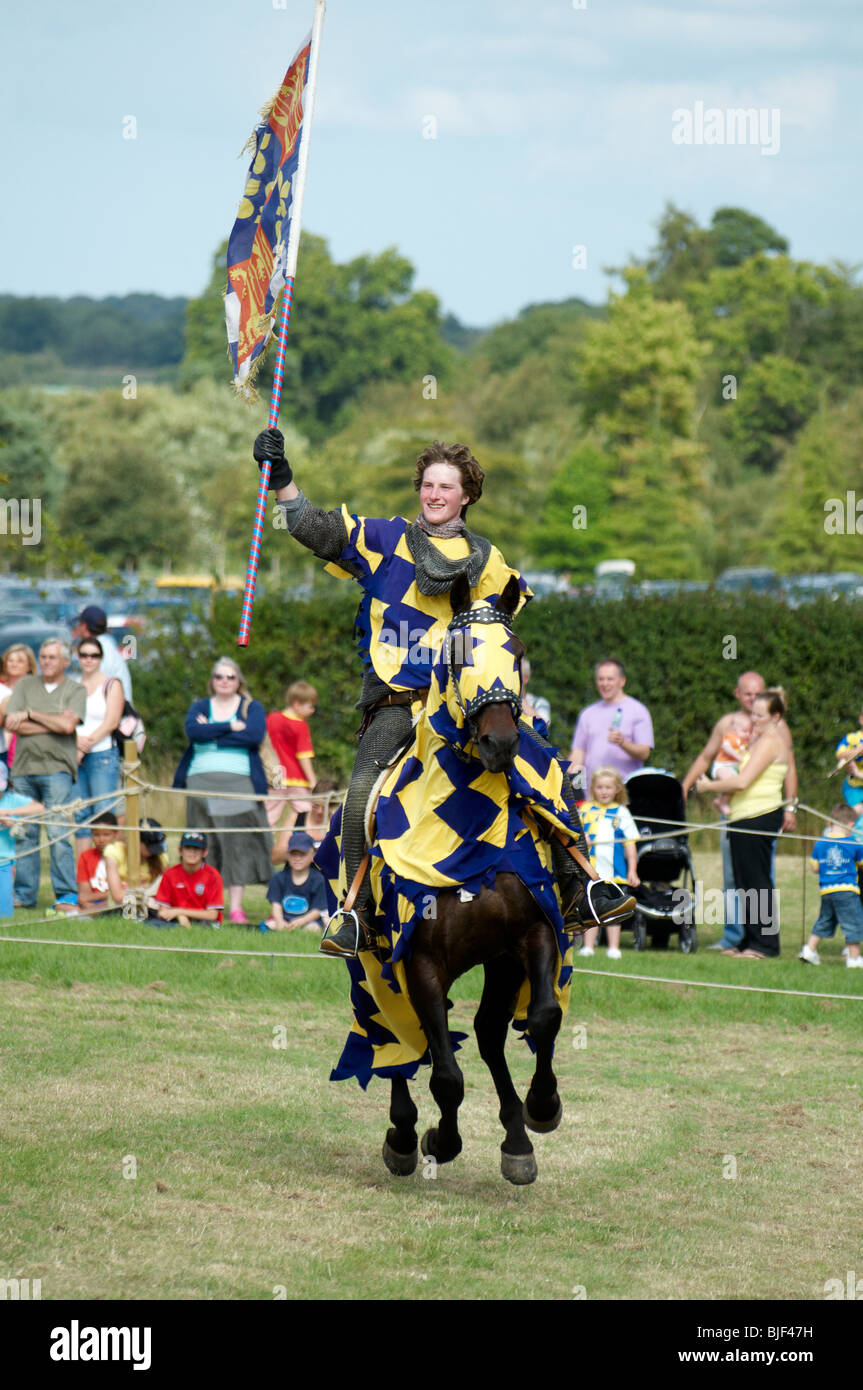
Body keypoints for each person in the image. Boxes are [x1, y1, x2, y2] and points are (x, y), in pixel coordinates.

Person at [254, 428, 633, 959]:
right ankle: (357, 913)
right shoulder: (384, 539)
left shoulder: (490, 562)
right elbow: (315, 530)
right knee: (360, 795)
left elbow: (500, 638)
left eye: (446, 486)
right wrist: (283, 478)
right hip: (400, 707)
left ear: (467, 495)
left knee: (551, 770)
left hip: (467, 706)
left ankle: (579, 885)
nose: (434, 494)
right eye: (427, 484)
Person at [682, 671, 798, 951]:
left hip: (759, 815)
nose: (754, 719)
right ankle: (747, 940)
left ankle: (765, 945)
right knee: (744, 880)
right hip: (742, 815)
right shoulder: (758, 738)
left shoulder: (771, 740)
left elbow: (744, 780)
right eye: (753, 714)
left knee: (758, 881)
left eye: (760, 715)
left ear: (775, 717)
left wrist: (709, 787)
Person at [172, 656, 272, 924]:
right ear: (212, 681)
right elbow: (193, 732)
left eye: (230, 677)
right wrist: (228, 726)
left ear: (238, 681)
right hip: (199, 783)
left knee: (236, 844)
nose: (225, 681)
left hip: (237, 782)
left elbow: (253, 735)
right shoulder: (199, 706)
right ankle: (208, 906)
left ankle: (236, 908)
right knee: (203, 845)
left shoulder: (251, 707)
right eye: (219, 676)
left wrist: (211, 731)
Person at [3, 639, 87, 913]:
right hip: (24, 768)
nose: (47, 661)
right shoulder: (27, 685)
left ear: (65, 661)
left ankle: (65, 895)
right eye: (43, 656)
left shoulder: (75, 689)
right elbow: (12, 724)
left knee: (58, 832)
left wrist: (31, 714)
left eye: (53, 657)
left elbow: (68, 726)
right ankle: (24, 895)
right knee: (25, 833)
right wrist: (54, 722)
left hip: (58, 769)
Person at [577, 767, 641, 959]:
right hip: (590, 870)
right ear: (593, 789)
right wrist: (582, 838)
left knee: (614, 908)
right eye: (599, 787)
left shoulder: (622, 812)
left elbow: (630, 844)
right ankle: (589, 946)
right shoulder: (585, 809)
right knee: (591, 907)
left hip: (615, 871)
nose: (604, 791)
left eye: (608, 787)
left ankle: (614, 947)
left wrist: (633, 870)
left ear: (617, 789)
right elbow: (575, 835)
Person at [568, 659, 654, 798]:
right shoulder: (587, 713)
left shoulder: (638, 711)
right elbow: (578, 752)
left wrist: (623, 743)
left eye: (610, 679)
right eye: (601, 679)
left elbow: (644, 753)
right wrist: (571, 784)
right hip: (592, 797)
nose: (605, 684)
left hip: (625, 797)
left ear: (622, 681)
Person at [73, 637, 124, 852]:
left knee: (104, 815)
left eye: (94, 655)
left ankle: (108, 869)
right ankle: (84, 870)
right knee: (80, 815)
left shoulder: (111, 684)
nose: (89, 660)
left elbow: (111, 722)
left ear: (101, 658)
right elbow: (64, 719)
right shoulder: (72, 685)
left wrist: (85, 745)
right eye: (84, 655)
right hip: (74, 755)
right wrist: (75, 743)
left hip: (102, 755)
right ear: (78, 657)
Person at [799, 804, 863, 968]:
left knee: (825, 920)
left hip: (827, 891)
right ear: (850, 824)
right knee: (853, 923)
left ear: (830, 823)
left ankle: (809, 949)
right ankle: (854, 959)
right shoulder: (853, 842)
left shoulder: (820, 843)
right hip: (847, 891)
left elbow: (814, 867)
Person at [265, 680, 318, 830]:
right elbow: (304, 756)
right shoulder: (301, 725)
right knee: (306, 811)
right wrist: (313, 781)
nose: (312, 710)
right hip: (297, 778)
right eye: (310, 706)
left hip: (275, 774)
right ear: (297, 704)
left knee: (269, 815)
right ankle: (302, 844)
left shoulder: (272, 718)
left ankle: (263, 845)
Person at [262, 828, 329, 932]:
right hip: (284, 918)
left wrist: (300, 921)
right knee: (270, 925)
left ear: (313, 856)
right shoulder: (278, 878)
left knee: (312, 929)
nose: (297, 858)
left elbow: (317, 910)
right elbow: (276, 904)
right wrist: (280, 922)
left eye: (302, 854)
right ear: (287, 855)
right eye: (294, 854)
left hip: (308, 920)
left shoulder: (319, 880)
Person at [153, 831, 224, 927]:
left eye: (197, 848)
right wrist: (179, 916)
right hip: (177, 919)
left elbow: (212, 915)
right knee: (153, 924)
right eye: (187, 848)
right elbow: (163, 911)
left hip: (205, 921)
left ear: (205, 852)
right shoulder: (169, 874)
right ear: (180, 851)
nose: (192, 852)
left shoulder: (213, 876)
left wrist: (179, 912)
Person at [0, 762, 45, 918]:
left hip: (4, 862)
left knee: (4, 913)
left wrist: (9, 814)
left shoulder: (11, 799)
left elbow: (39, 808)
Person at [103, 817, 169, 912]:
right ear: (136, 841)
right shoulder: (114, 852)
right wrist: (144, 898)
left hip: (154, 906)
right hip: (120, 908)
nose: (153, 851)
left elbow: (168, 888)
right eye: (149, 846)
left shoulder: (161, 856)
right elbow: (117, 895)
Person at [71, 606, 133, 702]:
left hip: (115, 712)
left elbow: (97, 688)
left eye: (79, 624)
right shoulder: (107, 644)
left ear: (84, 626)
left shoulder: (99, 650)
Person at [0, 643, 38, 769]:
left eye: (20, 661)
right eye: (10, 660)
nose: (14, 664)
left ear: (29, 666)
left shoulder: (35, 690)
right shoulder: (2, 689)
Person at [709, 710, 752, 816]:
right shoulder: (731, 737)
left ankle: (721, 800)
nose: (747, 734)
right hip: (723, 765)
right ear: (734, 729)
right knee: (730, 783)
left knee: (733, 785)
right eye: (744, 731)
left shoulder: (744, 742)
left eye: (749, 732)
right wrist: (737, 756)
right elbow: (726, 747)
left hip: (733, 768)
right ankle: (723, 803)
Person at [75, 811, 119, 914]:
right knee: (62, 904)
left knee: (118, 902)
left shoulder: (121, 854)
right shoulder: (86, 856)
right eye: (96, 835)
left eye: (106, 835)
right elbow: (83, 893)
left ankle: (90, 912)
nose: (101, 839)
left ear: (116, 834)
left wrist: (88, 899)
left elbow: (121, 892)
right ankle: (94, 912)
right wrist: (86, 901)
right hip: (93, 900)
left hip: (113, 899)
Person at [833, 709, 863, 821]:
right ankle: (835, 833)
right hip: (853, 786)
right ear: (861, 719)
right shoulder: (852, 738)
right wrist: (857, 751)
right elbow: (839, 754)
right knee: (855, 813)